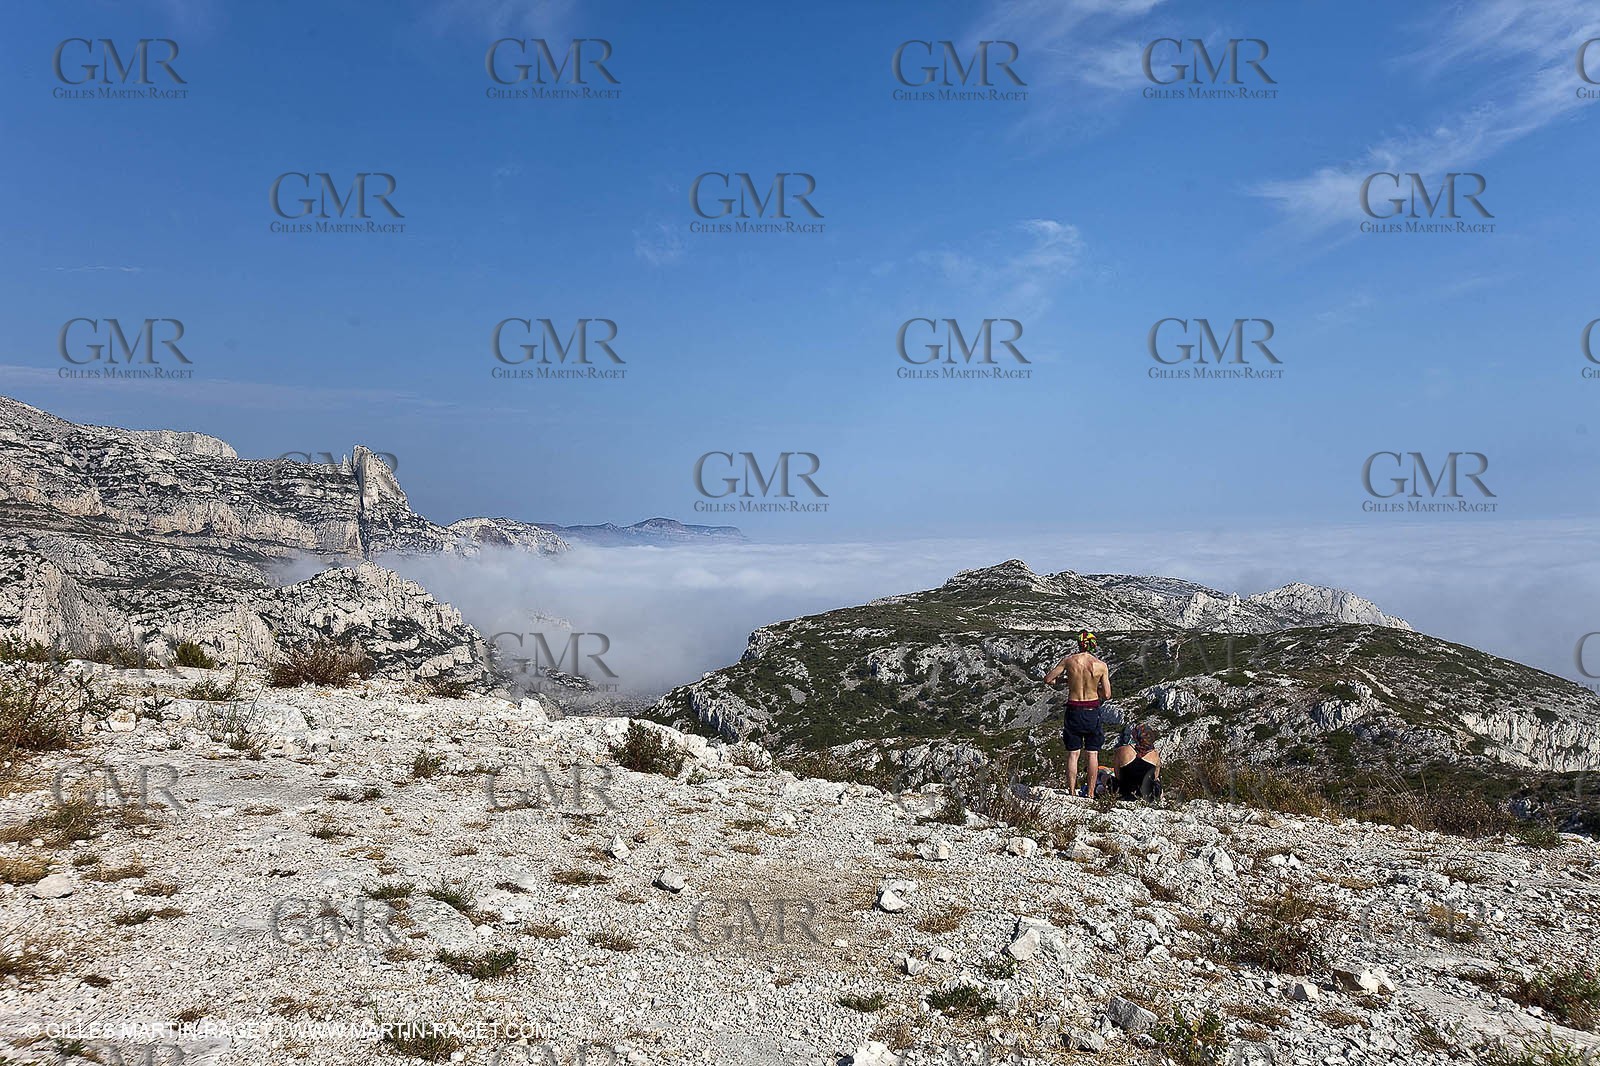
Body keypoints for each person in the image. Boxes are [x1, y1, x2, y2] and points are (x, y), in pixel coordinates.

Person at [1044, 630, 1111, 798]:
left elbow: (1048, 680)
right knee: (1092, 753)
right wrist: (1095, 688)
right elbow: (1107, 695)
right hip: (1092, 711)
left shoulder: (1069, 661)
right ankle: (1090, 794)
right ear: (1092, 646)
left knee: (1073, 754)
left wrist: (1067, 681)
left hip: (1073, 710)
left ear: (1078, 644)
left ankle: (1072, 792)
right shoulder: (1100, 665)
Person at [1110, 723, 1162, 801]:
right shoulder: (1155, 754)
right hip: (1147, 794)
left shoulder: (1122, 750)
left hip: (1126, 792)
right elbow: (1155, 777)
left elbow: (1118, 775)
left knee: (1104, 776)